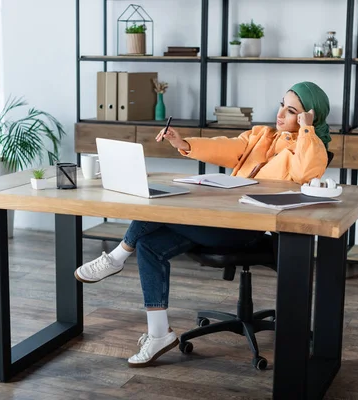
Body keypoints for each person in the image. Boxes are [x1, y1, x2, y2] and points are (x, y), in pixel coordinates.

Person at [74, 81, 331, 368]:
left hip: (242, 230)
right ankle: (159, 333)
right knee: (149, 244)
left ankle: (116, 257)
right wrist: (182, 143)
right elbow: (228, 147)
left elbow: (307, 171)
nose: (281, 113)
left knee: (159, 206)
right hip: (217, 222)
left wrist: (307, 128)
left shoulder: (311, 147)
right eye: (282, 104)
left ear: (309, 116)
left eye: (292, 110)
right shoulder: (263, 136)